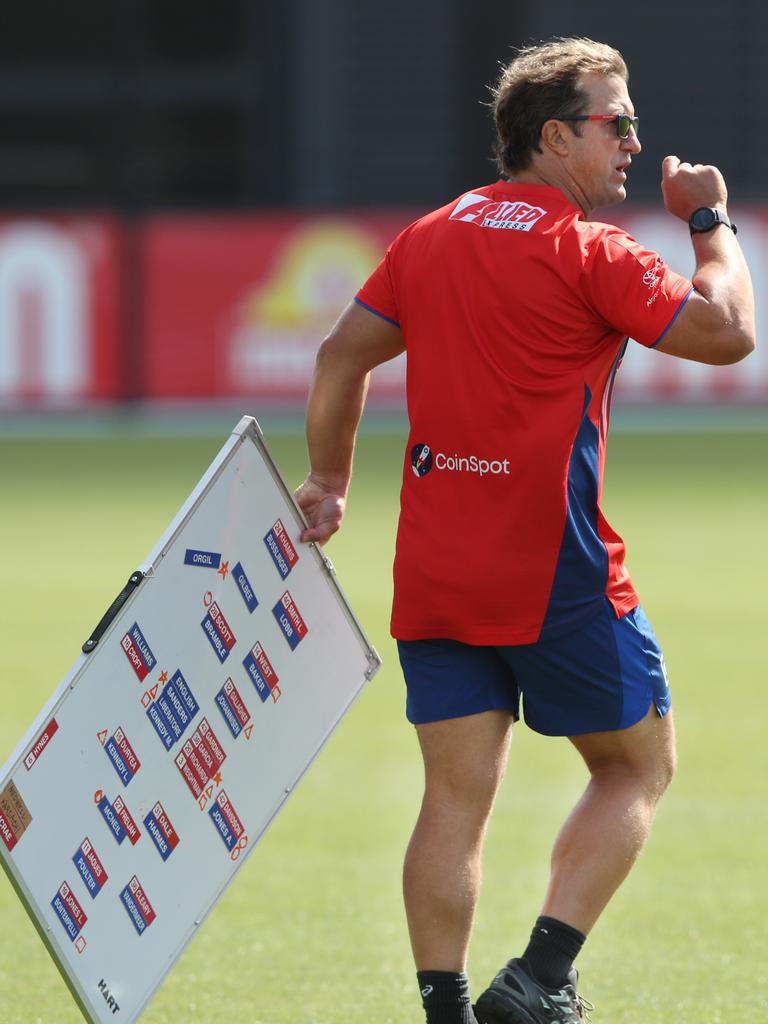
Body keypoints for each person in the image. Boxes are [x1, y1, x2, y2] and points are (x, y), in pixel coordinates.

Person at [294, 37, 755, 1024]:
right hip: (556, 571)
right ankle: (542, 978)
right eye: (616, 123)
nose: (635, 142)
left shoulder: (430, 235)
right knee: (637, 764)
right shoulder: (586, 249)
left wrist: (328, 484)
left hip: (434, 570)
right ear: (555, 136)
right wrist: (710, 222)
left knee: (453, 798)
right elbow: (728, 334)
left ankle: (447, 1011)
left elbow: (338, 360)